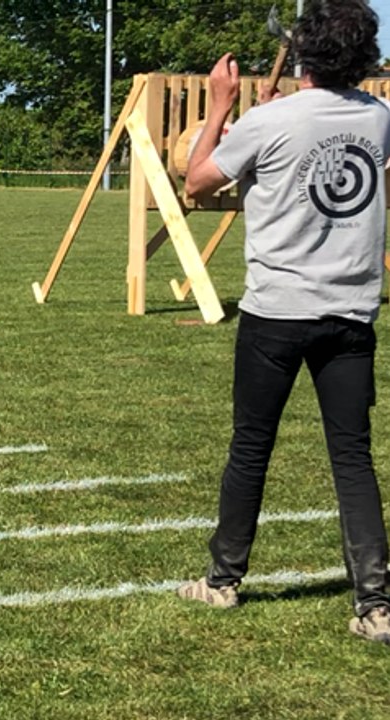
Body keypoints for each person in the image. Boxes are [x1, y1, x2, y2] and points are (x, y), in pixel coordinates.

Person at [177, 0, 390, 644]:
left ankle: (222, 580)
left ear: (304, 58)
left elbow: (197, 184)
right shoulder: (381, 119)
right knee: (352, 456)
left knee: (251, 446)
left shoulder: (269, 120)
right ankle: (376, 603)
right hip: (352, 312)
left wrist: (222, 109)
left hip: (275, 312)